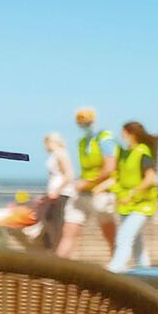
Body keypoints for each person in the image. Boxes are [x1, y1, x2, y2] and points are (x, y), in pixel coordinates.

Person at [57, 107, 118, 259]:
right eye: (80, 121)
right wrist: (81, 183)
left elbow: (109, 168)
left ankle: (116, 262)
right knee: (69, 230)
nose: (83, 124)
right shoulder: (83, 142)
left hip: (102, 192)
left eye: (85, 120)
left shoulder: (105, 138)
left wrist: (88, 182)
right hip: (83, 192)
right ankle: (58, 266)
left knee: (108, 231)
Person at [107, 121, 158, 273]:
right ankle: (146, 272)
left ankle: (114, 270)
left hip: (142, 204)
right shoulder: (124, 154)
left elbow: (151, 178)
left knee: (124, 236)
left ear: (131, 134)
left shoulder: (142, 152)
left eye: (123, 133)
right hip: (126, 205)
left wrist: (132, 193)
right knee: (137, 242)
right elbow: (119, 178)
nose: (121, 136)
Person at [38, 131, 75, 250]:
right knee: (49, 221)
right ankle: (51, 248)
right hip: (54, 193)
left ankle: (56, 249)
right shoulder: (55, 155)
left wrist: (57, 190)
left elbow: (69, 175)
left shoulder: (61, 154)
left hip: (61, 193)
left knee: (56, 223)